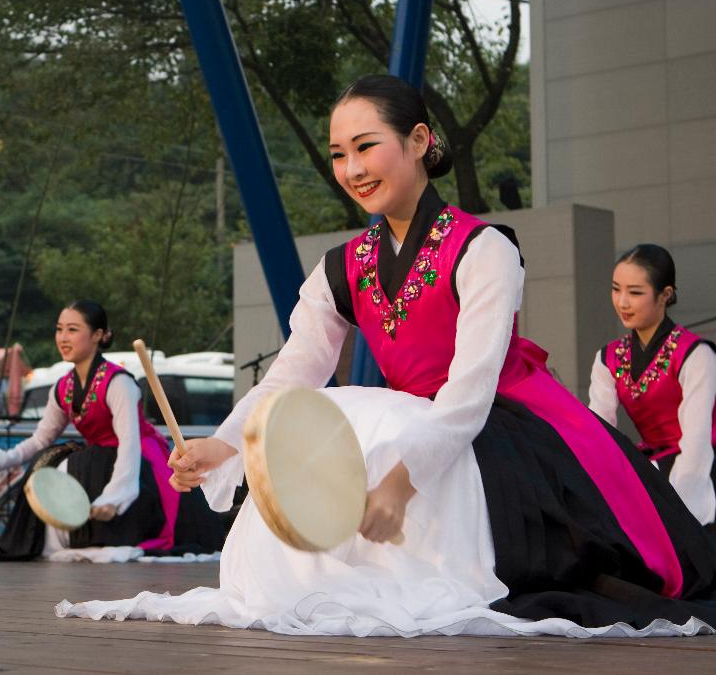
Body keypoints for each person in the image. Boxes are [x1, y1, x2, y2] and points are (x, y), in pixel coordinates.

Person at [58, 75, 716, 635]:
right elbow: (295, 372)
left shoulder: (484, 247)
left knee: (610, 566)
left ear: (420, 142)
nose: (352, 169)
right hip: (413, 416)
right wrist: (225, 446)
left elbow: (470, 389)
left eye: (366, 146)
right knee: (333, 437)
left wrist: (400, 483)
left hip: (506, 422)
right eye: (340, 153)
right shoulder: (343, 267)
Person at [0, 301, 224, 560]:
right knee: (47, 459)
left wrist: (114, 498)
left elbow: (128, 443)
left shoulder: (118, 383)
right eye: (59, 330)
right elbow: (40, 439)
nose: (63, 338)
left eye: (72, 329)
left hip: (139, 458)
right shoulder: (62, 388)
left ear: (98, 335)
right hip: (100, 459)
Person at [589, 244, 716, 529]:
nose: (622, 302)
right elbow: (598, 432)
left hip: (700, 469)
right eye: (615, 289)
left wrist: (680, 509)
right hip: (654, 464)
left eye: (635, 292)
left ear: (665, 295)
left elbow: (697, 443)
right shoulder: (607, 359)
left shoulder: (695, 354)